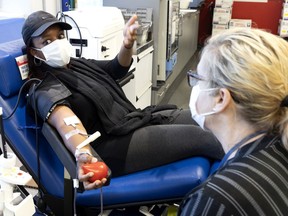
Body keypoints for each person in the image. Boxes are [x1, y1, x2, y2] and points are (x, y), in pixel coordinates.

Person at [21, 10, 223, 190]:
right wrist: (85, 156)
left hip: (129, 124)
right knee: (205, 138)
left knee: (208, 118)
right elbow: (66, 122)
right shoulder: (42, 87)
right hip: (109, 147)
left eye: (60, 36)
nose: (57, 43)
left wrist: (127, 45)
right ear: (33, 50)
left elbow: (115, 69)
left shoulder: (75, 65)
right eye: (47, 42)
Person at [179, 28, 288, 215]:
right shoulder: (279, 146)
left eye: (198, 79)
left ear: (220, 98)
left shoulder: (215, 201)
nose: (195, 87)